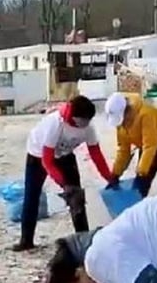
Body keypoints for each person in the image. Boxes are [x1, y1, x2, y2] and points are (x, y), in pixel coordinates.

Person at [13, 95, 113, 252]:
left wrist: (109, 177)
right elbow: (47, 161)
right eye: (84, 120)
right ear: (74, 116)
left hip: (65, 155)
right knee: (32, 196)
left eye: (89, 120)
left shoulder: (88, 128)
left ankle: (83, 239)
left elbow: (96, 155)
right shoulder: (55, 124)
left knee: (77, 197)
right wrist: (63, 184)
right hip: (38, 155)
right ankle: (26, 240)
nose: (86, 124)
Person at [104, 92, 157, 198]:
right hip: (149, 146)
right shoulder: (121, 125)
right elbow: (123, 150)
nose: (122, 123)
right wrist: (115, 174)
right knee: (140, 187)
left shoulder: (145, 114)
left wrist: (141, 172)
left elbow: (150, 145)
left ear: (127, 110)